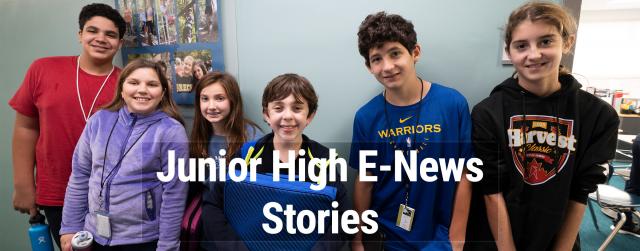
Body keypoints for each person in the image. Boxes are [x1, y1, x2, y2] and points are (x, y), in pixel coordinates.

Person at [468, 2, 619, 250]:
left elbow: (581, 192)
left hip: (557, 237)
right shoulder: (488, 112)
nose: (534, 54)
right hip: (497, 239)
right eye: (521, 46)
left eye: (546, 41)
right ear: (510, 51)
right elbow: (491, 189)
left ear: (567, 43)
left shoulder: (599, 116)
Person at [349, 11, 473, 251]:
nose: (387, 66)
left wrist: (457, 237)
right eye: (377, 59)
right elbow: (364, 182)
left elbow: (465, 173)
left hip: (438, 238)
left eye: (395, 53)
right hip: (385, 239)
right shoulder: (366, 117)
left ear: (415, 52)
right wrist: (358, 238)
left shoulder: (452, 104)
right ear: (369, 66)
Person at [9, 3, 126, 249]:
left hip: (112, 198)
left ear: (120, 42)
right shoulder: (43, 69)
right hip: (57, 193)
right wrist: (23, 185)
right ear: (80, 34)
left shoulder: (129, 83)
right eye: (93, 31)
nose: (101, 39)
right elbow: (26, 128)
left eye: (111, 34)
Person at [201, 73, 349, 250]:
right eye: (278, 108)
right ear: (266, 114)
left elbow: (344, 218)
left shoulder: (324, 160)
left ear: (310, 115)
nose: (287, 116)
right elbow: (213, 206)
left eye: (297, 108)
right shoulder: (247, 155)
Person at [59, 59, 189, 251]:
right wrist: (70, 227)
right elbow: (80, 175)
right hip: (93, 235)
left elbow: (175, 194)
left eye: (152, 84)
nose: (142, 90)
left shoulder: (170, 131)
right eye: (134, 82)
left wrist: (167, 246)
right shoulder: (99, 120)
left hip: (142, 240)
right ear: (121, 89)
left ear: (162, 93)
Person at [190, 71, 262, 172]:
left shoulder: (252, 138)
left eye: (220, 98)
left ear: (233, 101)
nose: (211, 107)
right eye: (205, 99)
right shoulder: (200, 134)